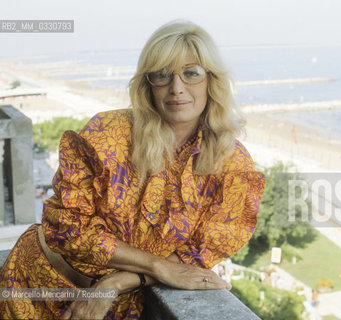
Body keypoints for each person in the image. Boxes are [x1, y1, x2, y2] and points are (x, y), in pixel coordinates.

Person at [0, 20, 265, 319]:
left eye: (191, 73)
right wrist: (157, 266)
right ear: (147, 84)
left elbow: (194, 256)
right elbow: (67, 228)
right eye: (162, 75)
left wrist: (116, 282)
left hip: (117, 307)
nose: (177, 88)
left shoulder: (233, 168)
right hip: (32, 287)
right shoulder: (106, 134)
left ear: (211, 81)